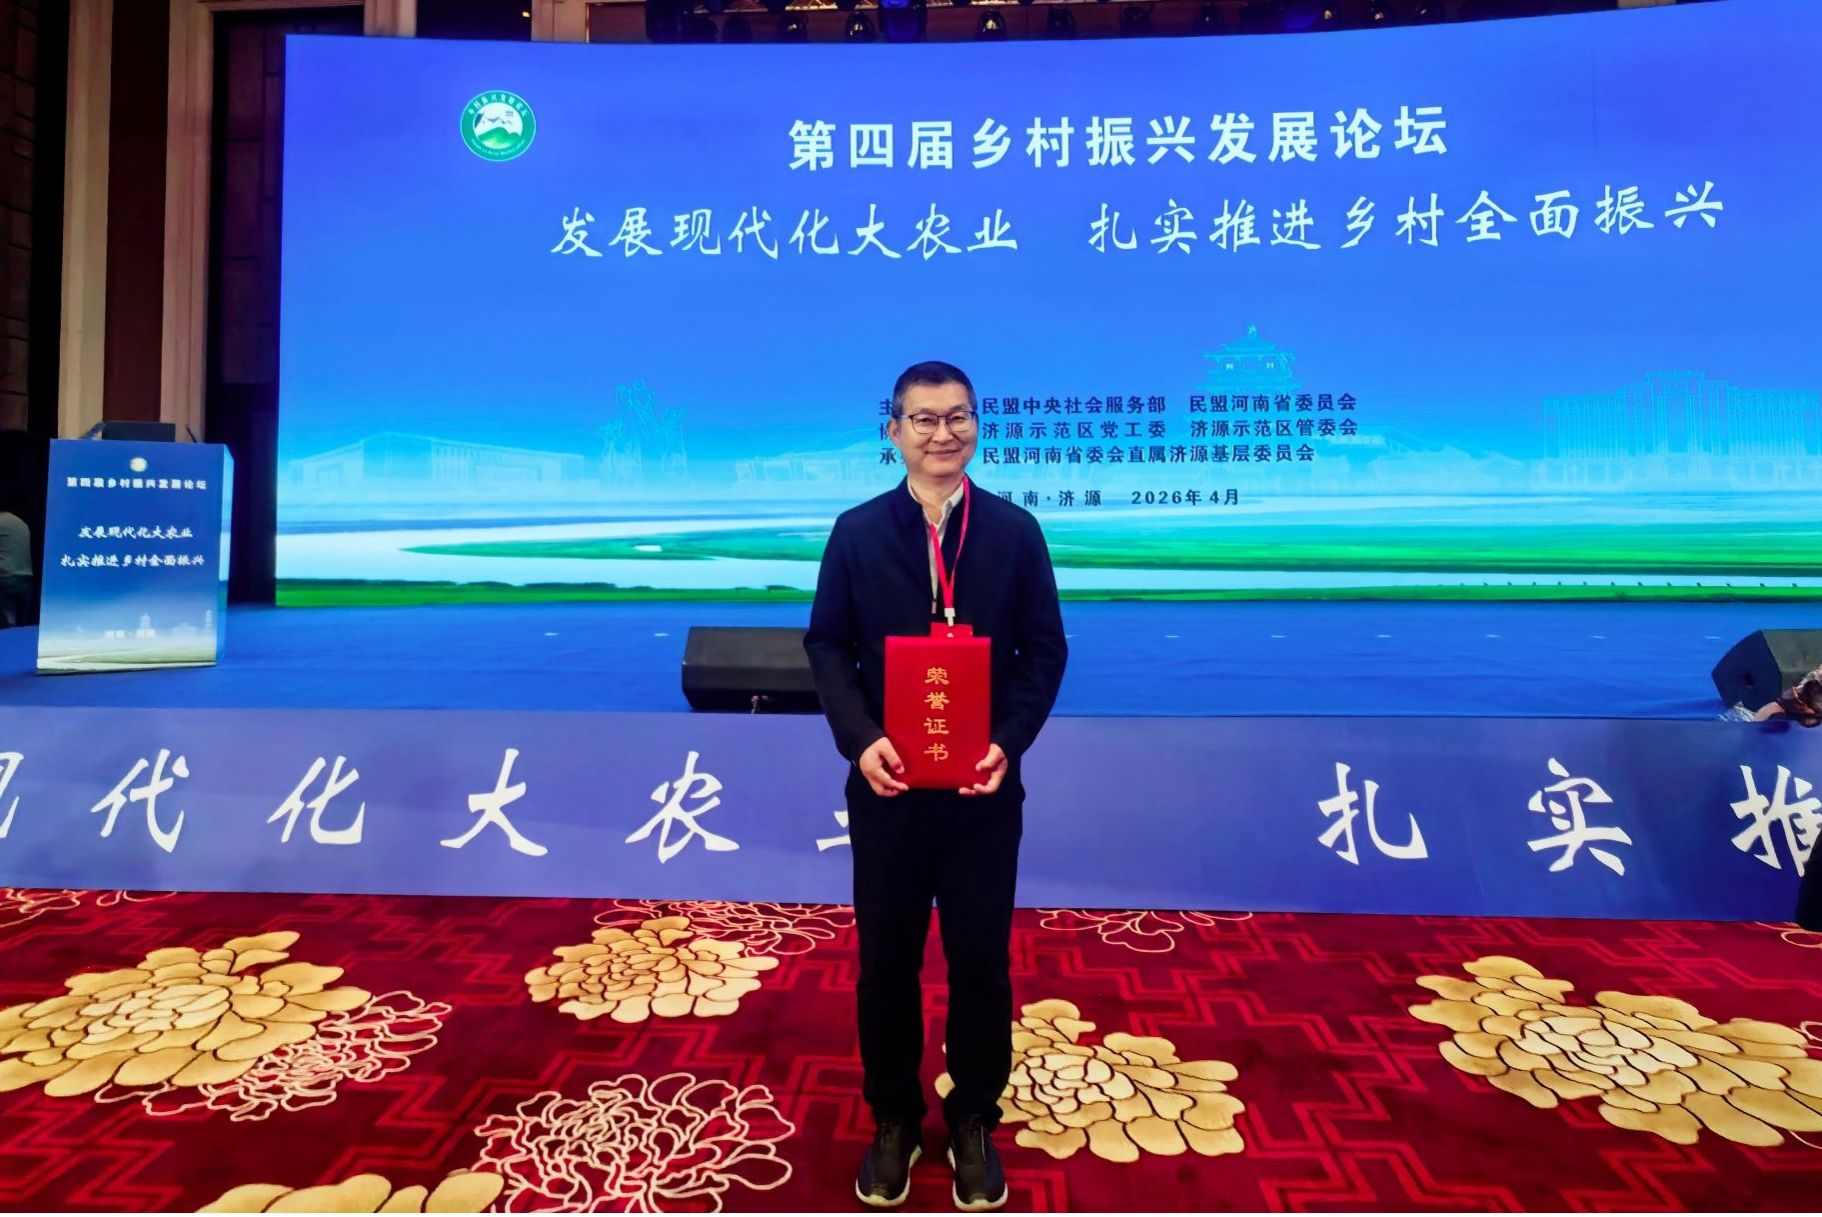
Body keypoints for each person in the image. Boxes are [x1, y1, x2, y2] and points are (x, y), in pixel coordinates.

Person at [804, 360, 1067, 1211]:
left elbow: (1044, 651)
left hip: (981, 791)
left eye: (957, 417)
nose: (942, 432)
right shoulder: (855, 532)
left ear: (977, 426)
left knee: (979, 959)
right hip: (888, 789)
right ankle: (893, 1116)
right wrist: (861, 739)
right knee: (886, 958)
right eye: (923, 418)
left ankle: (974, 1116)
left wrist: (1007, 743)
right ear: (894, 431)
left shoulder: (1015, 533)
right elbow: (825, 645)